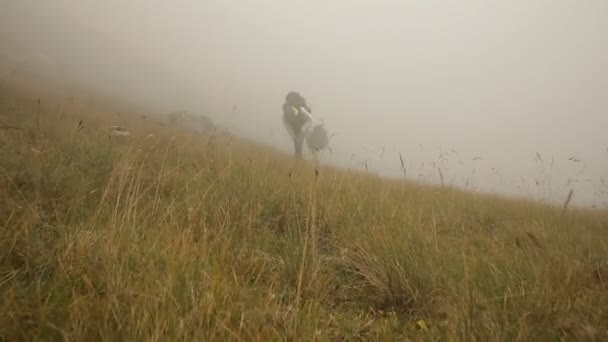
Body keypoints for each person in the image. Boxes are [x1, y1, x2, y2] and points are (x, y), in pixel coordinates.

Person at [282, 91, 313, 159]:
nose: (291, 101)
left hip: (302, 124)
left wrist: (302, 118)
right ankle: (298, 156)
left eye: (293, 99)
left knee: (299, 140)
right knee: (296, 140)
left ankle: (298, 156)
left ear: (297, 99)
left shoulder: (302, 104)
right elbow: (287, 118)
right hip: (291, 124)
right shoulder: (287, 106)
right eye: (289, 99)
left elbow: (308, 113)